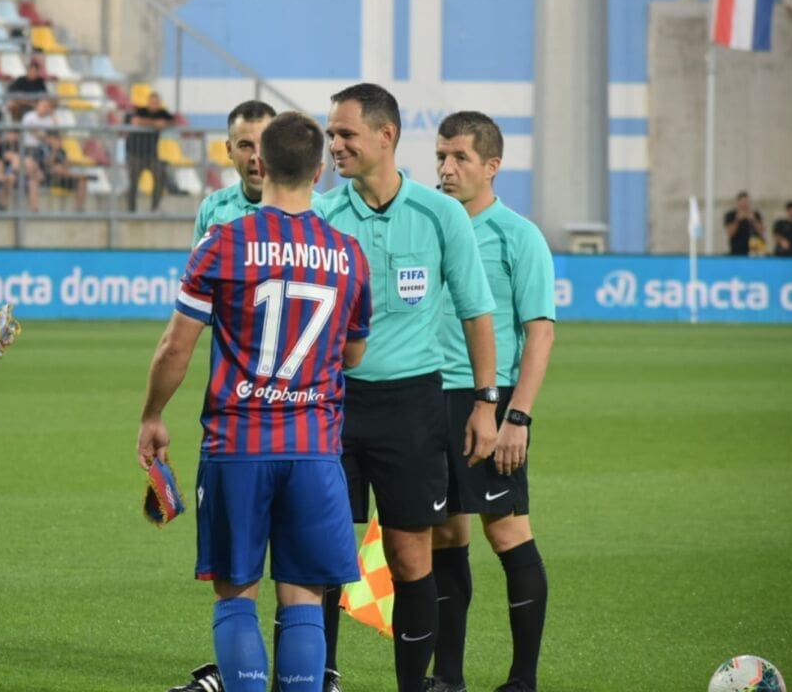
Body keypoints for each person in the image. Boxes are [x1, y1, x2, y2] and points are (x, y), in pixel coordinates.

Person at [138, 111, 372, 692]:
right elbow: (354, 354)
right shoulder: (348, 254)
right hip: (316, 449)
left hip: (238, 443)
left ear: (259, 164)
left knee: (236, 589)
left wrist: (152, 414)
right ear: (320, 173)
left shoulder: (224, 242)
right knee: (303, 596)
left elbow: (175, 347)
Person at [315, 83, 497, 692]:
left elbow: (476, 313)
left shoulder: (439, 214)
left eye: (345, 134)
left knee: (410, 556)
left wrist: (485, 403)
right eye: (330, 134)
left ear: (385, 136)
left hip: (414, 405)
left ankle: (411, 688)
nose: (333, 145)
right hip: (333, 404)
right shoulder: (322, 218)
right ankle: (321, 679)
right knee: (323, 556)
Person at [426, 112, 555, 692]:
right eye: (441, 157)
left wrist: (516, 416)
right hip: (426, 398)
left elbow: (540, 331)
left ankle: (522, 680)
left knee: (507, 533)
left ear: (492, 166)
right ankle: (448, 679)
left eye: (459, 158)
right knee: (445, 537)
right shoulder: (428, 224)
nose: (446, 169)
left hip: (488, 403)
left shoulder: (518, 235)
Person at [192, 100, 278, 244]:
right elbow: (198, 266)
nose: (255, 156)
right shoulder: (211, 208)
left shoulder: (311, 208)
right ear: (229, 149)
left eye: (265, 144)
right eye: (245, 146)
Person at [125, 91, 175, 213]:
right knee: (133, 182)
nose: (154, 105)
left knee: (160, 175)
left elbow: (173, 121)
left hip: (151, 155)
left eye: (157, 103)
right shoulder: (141, 111)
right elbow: (134, 121)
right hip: (135, 153)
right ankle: (131, 210)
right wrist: (154, 124)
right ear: (148, 103)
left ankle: (155, 207)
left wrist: (165, 123)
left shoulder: (162, 113)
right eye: (152, 102)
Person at [723, 192, 765, 256]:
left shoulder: (755, 214)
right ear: (738, 203)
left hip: (754, 251)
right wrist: (738, 220)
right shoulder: (731, 215)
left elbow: (762, 232)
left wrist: (753, 220)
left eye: (747, 202)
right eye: (743, 202)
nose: (745, 204)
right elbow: (730, 233)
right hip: (737, 251)